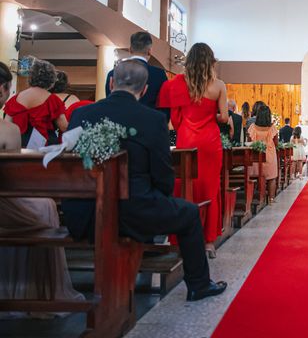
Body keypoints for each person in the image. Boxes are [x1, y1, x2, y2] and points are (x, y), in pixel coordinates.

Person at [63, 60, 226, 301]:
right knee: (190, 213)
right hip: (134, 212)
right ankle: (199, 285)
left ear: (111, 83)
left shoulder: (81, 114)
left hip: (85, 214)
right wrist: (157, 199)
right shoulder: (152, 120)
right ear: (145, 89)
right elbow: (163, 176)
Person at [0, 62, 84, 317]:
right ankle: (37, 289)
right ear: (3, 90)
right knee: (46, 205)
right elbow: (64, 128)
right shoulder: (48, 102)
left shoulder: (16, 102)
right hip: (39, 154)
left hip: (20, 145)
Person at [157, 43, 229, 258]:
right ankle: (208, 243)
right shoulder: (218, 85)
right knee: (209, 187)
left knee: (185, 186)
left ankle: (180, 237)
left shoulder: (179, 83)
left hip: (187, 138)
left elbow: (174, 118)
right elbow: (224, 117)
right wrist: (211, 116)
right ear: (210, 61)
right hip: (209, 142)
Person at [4, 58, 67, 147]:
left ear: (31, 77)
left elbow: (7, 127)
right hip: (45, 148)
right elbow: (64, 127)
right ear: (51, 80)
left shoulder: (14, 100)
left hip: (19, 146)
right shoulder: (53, 100)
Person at [105, 31, 168, 115]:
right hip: (148, 123)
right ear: (149, 51)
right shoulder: (159, 74)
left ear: (130, 49)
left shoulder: (113, 73)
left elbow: (110, 101)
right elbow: (164, 106)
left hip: (119, 123)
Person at [248, 105, 279, 202]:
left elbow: (249, 141)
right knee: (272, 177)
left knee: (256, 175)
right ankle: (271, 198)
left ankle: (253, 198)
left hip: (256, 154)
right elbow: (276, 143)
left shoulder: (252, 127)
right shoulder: (272, 128)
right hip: (269, 154)